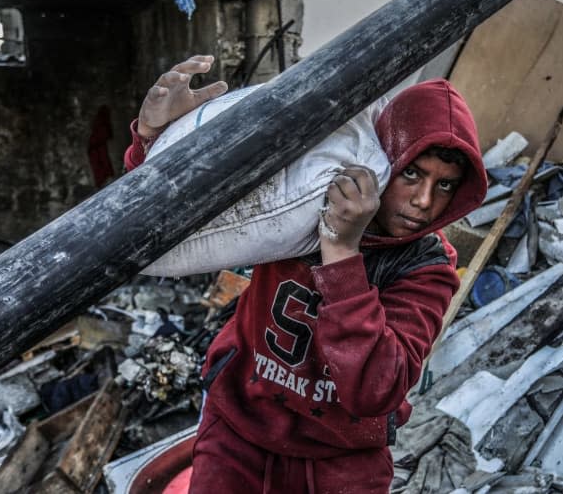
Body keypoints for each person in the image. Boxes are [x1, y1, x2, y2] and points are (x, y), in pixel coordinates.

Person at [124, 55, 487, 493]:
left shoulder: (425, 266)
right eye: (412, 173)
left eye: (445, 184)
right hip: (241, 427)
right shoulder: (302, 201)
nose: (425, 201)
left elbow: (375, 390)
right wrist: (155, 139)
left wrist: (341, 253)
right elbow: (176, 221)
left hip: (341, 456)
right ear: (384, 160)